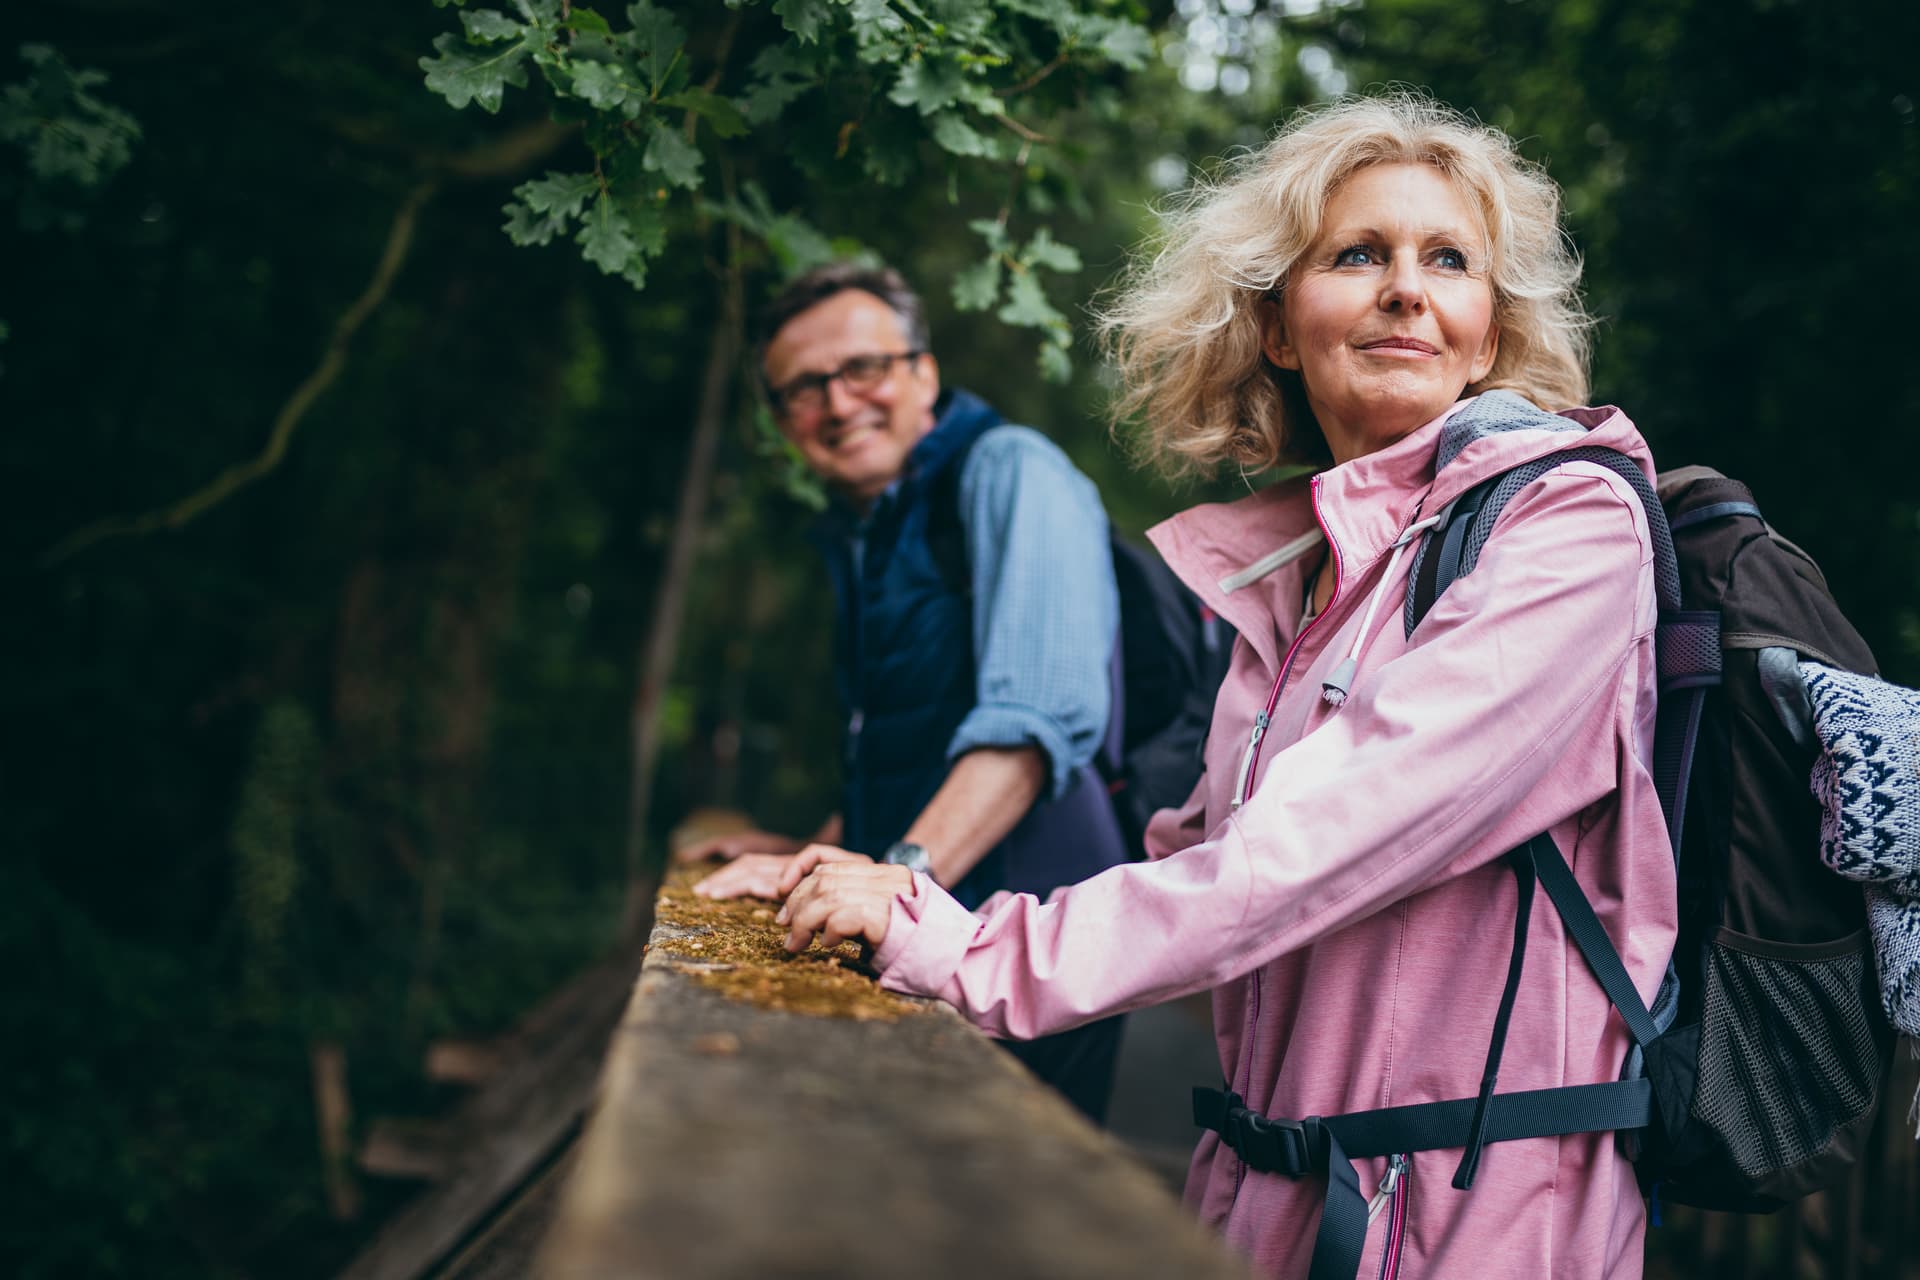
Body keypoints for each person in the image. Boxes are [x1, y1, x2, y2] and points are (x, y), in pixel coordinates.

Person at [774, 96, 1678, 1278]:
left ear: (1488, 333)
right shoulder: (1294, 576)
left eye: (1448, 260)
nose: (1406, 287)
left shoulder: (1570, 524)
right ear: (1278, 329)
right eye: (1358, 254)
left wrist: (966, 945)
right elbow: (1197, 858)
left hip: (1470, 1217)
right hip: (1264, 1197)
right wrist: (839, 865)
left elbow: (1328, 835)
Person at [680, 263, 1131, 1123]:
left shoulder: (1010, 471)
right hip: (926, 920)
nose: (840, 403)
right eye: (804, 389)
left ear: (924, 371)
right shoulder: (866, 533)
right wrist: (813, 849)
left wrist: (895, 882)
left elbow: (1030, 729)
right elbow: (906, 739)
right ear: (783, 423)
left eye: (864, 368)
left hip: (1028, 940)